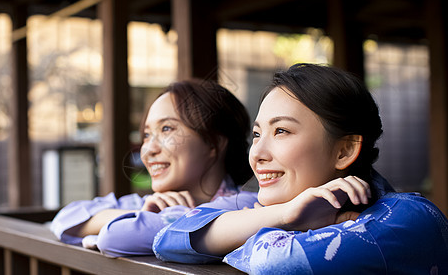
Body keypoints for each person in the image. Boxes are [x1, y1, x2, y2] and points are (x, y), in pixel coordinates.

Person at [153, 63, 448, 274]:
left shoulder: (408, 218)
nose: (257, 154)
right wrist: (287, 214)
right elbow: (169, 238)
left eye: (281, 131)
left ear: (344, 150)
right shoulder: (269, 204)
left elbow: (277, 261)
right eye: (257, 135)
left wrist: (275, 226)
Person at [50, 79, 257, 257]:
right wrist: (141, 212)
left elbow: (118, 235)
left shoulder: (246, 207)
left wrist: (142, 220)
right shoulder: (148, 204)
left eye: (166, 129)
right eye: (147, 135)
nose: (147, 150)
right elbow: (65, 219)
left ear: (215, 143)